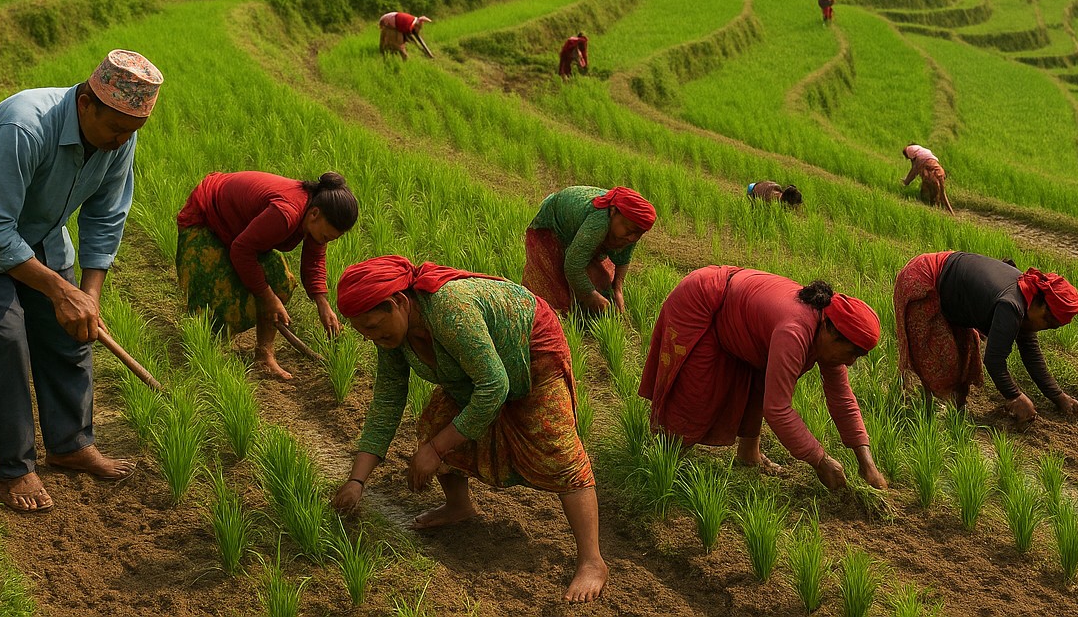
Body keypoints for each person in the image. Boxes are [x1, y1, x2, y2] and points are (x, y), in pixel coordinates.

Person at [0, 50, 163, 513]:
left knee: (69, 333)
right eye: (115, 129)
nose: (120, 142)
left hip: (39, 231)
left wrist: (86, 296)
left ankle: (70, 443)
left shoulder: (118, 137)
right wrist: (60, 289)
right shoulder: (27, 125)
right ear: (87, 102)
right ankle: (14, 469)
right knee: (6, 340)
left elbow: (106, 215)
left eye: (131, 133)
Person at [331, 255, 607, 603]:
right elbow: (386, 402)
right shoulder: (393, 338)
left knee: (556, 447)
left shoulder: (450, 310)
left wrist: (435, 450)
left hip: (532, 349)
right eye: (364, 332)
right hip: (482, 368)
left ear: (398, 302)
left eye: (373, 327)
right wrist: (357, 481)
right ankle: (458, 507)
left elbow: (493, 387)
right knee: (437, 422)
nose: (373, 337)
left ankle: (592, 561)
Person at [639, 268, 888, 490]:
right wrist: (820, 460)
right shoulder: (794, 331)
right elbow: (778, 410)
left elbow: (842, 398)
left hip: (736, 313)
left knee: (760, 379)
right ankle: (661, 464)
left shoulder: (827, 330)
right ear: (830, 331)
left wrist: (867, 464)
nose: (851, 362)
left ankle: (749, 454)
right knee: (695, 391)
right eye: (852, 353)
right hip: (701, 302)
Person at [176, 170, 359, 380]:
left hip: (239, 230)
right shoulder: (286, 213)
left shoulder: (312, 216)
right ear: (315, 214)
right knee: (214, 291)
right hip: (206, 216)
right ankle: (202, 354)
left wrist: (323, 304)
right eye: (327, 236)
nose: (326, 240)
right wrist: (267, 297)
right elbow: (241, 251)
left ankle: (264, 356)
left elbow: (314, 261)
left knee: (278, 280)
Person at [894, 252, 1078, 422]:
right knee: (940, 357)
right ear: (1041, 306)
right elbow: (994, 361)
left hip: (948, 286)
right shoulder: (1011, 305)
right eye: (1048, 322)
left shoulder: (1027, 298)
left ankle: (948, 409)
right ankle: (924, 411)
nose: (1045, 328)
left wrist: (1059, 396)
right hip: (924, 279)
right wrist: (1015, 396)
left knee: (963, 354)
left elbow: (1031, 354)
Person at [523, 186, 655, 315]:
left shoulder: (633, 227)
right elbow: (573, 266)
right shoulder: (598, 222)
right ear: (613, 211)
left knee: (601, 286)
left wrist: (618, 290)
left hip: (583, 226)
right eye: (629, 231)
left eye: (639, 234)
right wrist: (590, 296)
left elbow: (624, 258)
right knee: (552, 284)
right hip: (556, 222)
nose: (633, 238)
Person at [901, 144, 955, 215]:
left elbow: (913, 172)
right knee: (940, 193)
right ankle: (946, 211)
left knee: (929, 191)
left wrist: (906, 182)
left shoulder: (919, 159)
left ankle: (933, 210)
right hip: (940, 172)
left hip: (932, 174)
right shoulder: (924, 152)